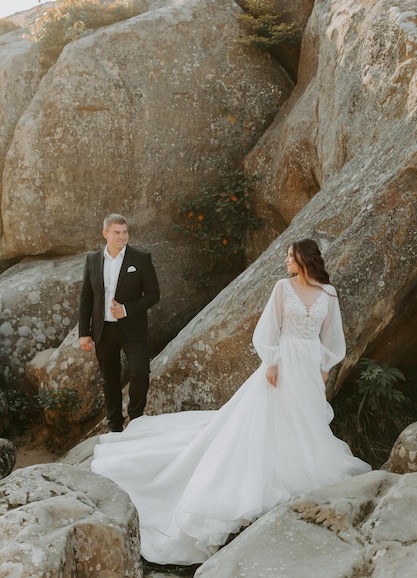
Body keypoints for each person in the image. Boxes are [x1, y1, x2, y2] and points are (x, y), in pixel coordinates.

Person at [91, 238, 371, 564]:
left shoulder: (329, 294)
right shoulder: (283, 288)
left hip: (308, 366)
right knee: (270, 417)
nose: (285, 261)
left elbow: (333, 336)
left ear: (303, 259)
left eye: (289, 256)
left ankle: (299, 461)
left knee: (304, 419)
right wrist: (271, 361)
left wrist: (324, 365)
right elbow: (267, 330)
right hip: (281, 363)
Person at [79, 213, 160, 432]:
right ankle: (114, 425)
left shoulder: (141, 259)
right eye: (117, 232)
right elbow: (86, 297)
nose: (122, 237)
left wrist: (126, 309)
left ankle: (136, 419)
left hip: (132, 328)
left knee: (140, 372)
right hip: (103, 330)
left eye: (125, 232)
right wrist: (84, 332)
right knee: (110, 379)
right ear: (105, 234)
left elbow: (153, 294)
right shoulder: (92, 259)